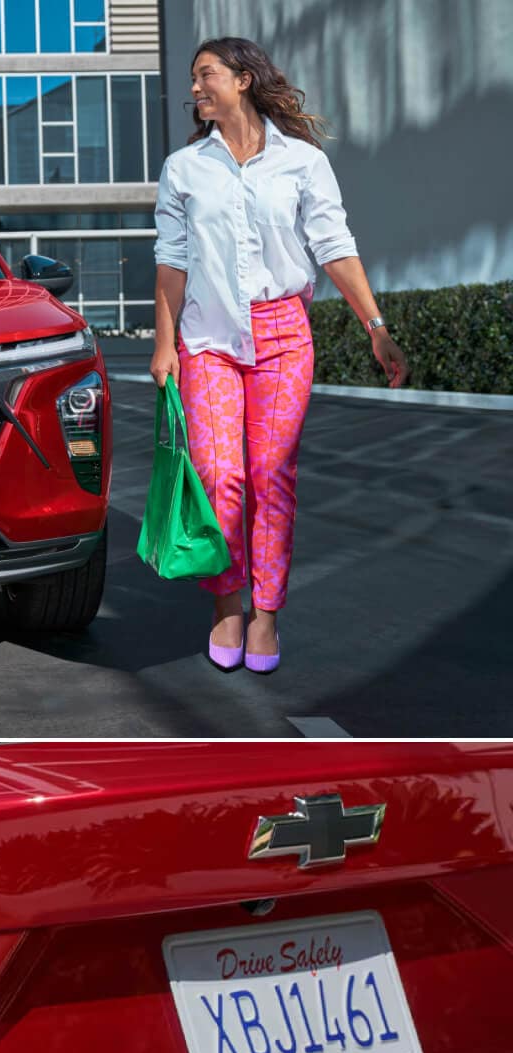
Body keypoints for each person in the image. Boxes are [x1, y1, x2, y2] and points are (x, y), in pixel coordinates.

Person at [150, 36, 408, 674]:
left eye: (205, 75)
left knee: (271, 474)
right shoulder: (185, 168)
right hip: (209, 337)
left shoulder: (302, 162)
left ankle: (266, 612)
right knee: (219, 476)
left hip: (283, 336)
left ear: (242, 79)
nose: (195, 88)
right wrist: (164, 344)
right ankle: (227, 603)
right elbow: (172, 261)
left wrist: (375, 325)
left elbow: (333, 245)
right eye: (193, 79)